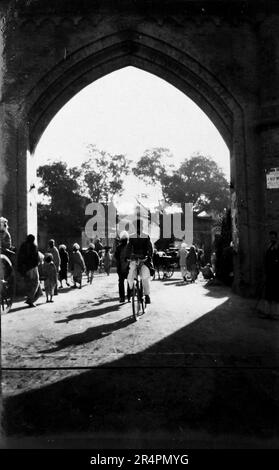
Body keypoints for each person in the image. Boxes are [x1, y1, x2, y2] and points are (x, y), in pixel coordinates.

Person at [126, 219, 154, 305]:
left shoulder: (146, 236)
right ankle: (131, 289)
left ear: (142, 227)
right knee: (130, 274)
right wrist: (127, 256)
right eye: (136, 227)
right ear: (135, 228)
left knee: (145, 276)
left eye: (140, 227)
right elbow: (129, 248)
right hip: (134, 259)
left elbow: (150, 248)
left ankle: (147, 295)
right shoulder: (131, 237)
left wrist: (149, 256)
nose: (138, 229)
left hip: (144, 259)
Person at [17, 234, 42, 307]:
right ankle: (30, 300)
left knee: (33, 285)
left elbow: (20, 257)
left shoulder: (23, 245)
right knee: (35, 283)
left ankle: (33, 298)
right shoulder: (33, 246)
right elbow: (35, 258)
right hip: (32, 268)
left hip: (25, 268)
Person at [114, 231, 131, 303]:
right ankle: (129, 297)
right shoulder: (130, 246)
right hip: (129, 267)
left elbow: (116, 257)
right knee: (130, 281)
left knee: (121, 282)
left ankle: (122, 298)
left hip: (121, 267)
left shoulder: (118, 248)